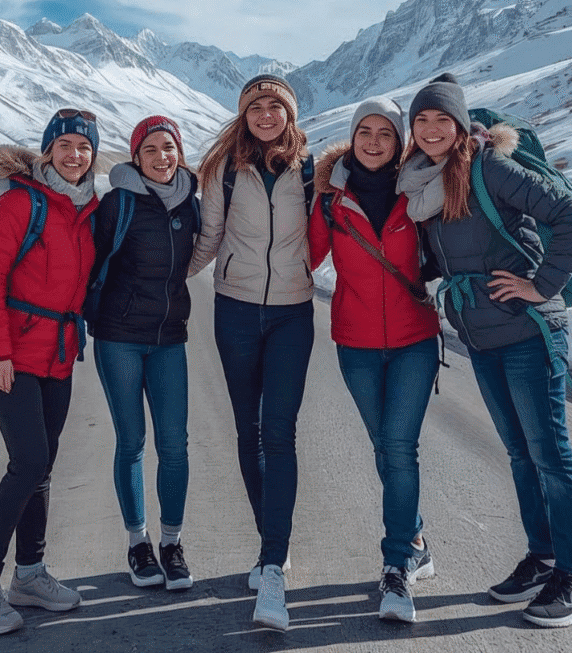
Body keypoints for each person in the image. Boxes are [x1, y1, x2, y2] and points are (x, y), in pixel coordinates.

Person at [398, 73, 572, 629]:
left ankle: (568, 573)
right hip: (481, 337)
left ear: (459, 123)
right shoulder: (423, 181)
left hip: (528, 332)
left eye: (441, 119)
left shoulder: (488, 166)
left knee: (551, 456)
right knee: (521, 455)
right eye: (421, 120)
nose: (430, 130)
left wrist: (541, 285)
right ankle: (542, 557)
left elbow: (567, 213)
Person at [0, 109, 99, 635]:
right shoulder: (19, 202)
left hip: (56, 355)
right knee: (28, 460)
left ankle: (30, 575)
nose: (75, 154)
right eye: (65, 146)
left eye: (84, 146)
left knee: (43, 467)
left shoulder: (86, 209)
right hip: (8, 355)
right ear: (47, 152)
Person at [189, 74, 314, 632]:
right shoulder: (222, 171)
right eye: (256, 106)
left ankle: (271, 561)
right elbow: (208, 239)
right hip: (235, 309)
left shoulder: (313, 170)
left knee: (279, 433)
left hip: (292, 310)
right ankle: (273, 540)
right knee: (247, 430)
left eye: (275, 105)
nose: (266, 114)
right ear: (243, 115)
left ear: (289, 113)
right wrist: (160, 284)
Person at [308, 97, 440, 623]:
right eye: (365, 130)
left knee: (399, 448)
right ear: (353, 135)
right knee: (384, 449)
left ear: (399, 141)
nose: (373, 141)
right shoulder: (329, 200)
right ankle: (417, 536)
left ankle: (396, 567)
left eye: (385, 133)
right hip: (357, 344)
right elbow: (303, 257)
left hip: (414, 340)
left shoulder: (421, 193)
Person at [88, 115, 200, 591]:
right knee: (131, 442)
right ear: (136, 157)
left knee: (174, 445)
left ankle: (172, 543)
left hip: (170, 338)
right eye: (150, 149)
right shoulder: (117, 204)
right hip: (119, 337)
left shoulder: (190, 204)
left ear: (179, 151)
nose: (161, 157)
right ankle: (139, 543)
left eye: (168, 148)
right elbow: (88, 260)